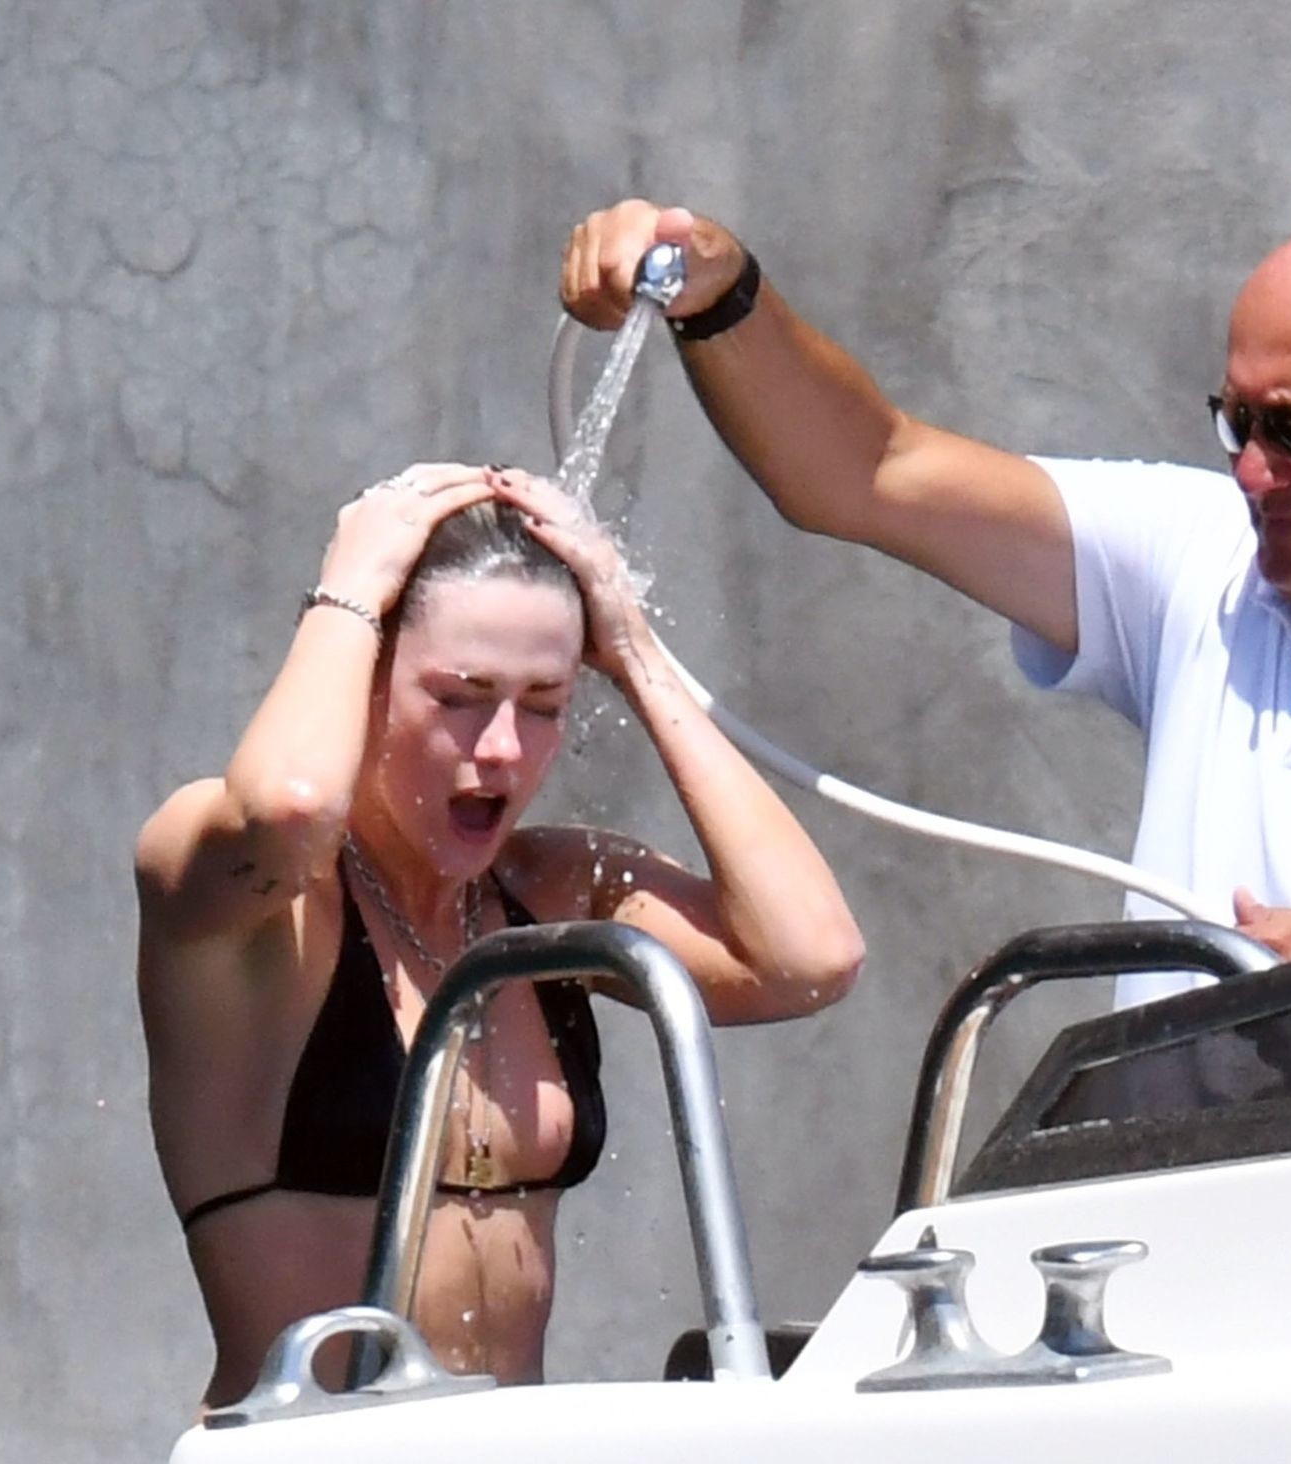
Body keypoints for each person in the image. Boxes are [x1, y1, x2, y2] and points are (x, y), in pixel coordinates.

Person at [560, 202, 1291, 999]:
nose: (1254, 474)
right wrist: (721, 296)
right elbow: (869, 472)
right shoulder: (1205, 564)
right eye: (1238, 423)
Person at [136, 463, 864, 1408]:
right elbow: (292, 805)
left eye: (546, 705)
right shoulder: (261, 904)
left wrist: (635, 653)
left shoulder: (547, 893)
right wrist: (349, 589)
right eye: (459, 697)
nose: (503, 750)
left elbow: (809, 959)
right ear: (362, 677)